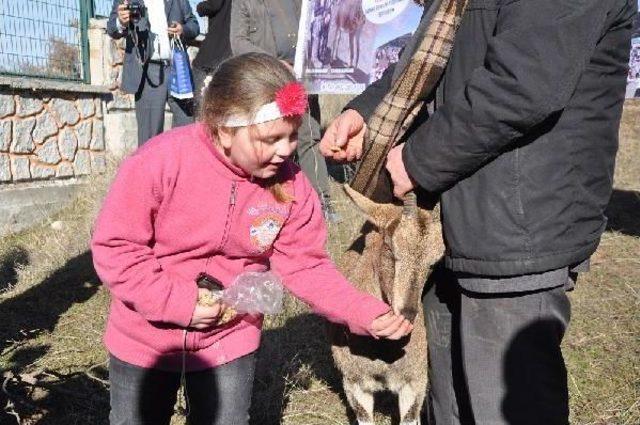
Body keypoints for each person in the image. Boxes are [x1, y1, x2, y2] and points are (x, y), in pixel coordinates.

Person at [320, 0, 635, 423]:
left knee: (505, 408)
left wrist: (419, 159)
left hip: (515, 227)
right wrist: (367, 111)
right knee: (447, 406)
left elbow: (523, 82)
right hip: (447, 223)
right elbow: (430, 64)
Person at [91, 53, 412, 425]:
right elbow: (117, 248)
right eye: (270, 138)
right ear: (225, 129)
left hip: (230, 337)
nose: (286, 149)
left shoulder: (291, 186)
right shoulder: (159, 163)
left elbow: (307, 266)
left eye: (293, 136)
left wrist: (361, 311)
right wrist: (177, 302)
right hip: (144, 338)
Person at [230, 0, 338, 221]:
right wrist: (275, 64)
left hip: (301, 79)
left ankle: (321, 203)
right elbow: (238, 42)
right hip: (266, 80)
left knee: (310, 136)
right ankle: (265, 203)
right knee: (267, 141)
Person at [107, 0, 199, 146]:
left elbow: (194, 24)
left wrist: (183, 29)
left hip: (178, 69)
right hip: (149, 71)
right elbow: (112, 28)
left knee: (187, 130)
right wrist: (121, 22)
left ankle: (179, 168)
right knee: (150, 139)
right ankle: (150, 169)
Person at [192, 0, 232, 103]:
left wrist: (200, 7)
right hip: (229, 54)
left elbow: (213, 5)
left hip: (213, 55)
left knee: (201, 103)